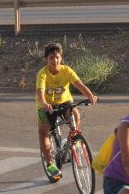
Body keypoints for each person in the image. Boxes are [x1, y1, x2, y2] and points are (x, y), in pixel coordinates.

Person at [36, 43, 97, 180]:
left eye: (57, 57)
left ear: (61, 57)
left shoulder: (67, 70)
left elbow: (79, 84)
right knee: (43, 132)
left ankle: (73, 139)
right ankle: (50, 165)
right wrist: (44, 103)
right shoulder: (43, 74)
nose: (55, 60)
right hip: (47, 105)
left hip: (64, 102)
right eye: (51, 57)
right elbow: (40, 91)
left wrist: (90, 96)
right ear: (47, 59)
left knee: (75, 114)